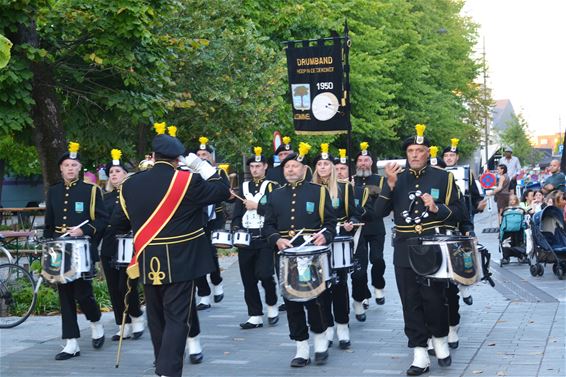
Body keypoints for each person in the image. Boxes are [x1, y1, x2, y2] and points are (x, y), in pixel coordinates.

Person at [111, 123, 231, 377]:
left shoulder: (130, 185)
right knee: (178, 318)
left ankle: (160, 363)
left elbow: (117, 223)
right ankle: (167, 371)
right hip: (182, 258)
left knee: (156, 318)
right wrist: (202, 166)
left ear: (153, 157)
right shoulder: (187, 180)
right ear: (178, 159)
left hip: (147, 257)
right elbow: (222, 190)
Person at [374, 124, 464, 376]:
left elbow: (459, 213)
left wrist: (437, 209)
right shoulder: (395, 179)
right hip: (404, 246)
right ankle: (419, 352)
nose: (414, 154)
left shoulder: (443, 178)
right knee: (409, 301)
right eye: (411, 150)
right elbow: (377, 214)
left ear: (428, 153)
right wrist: (388, 186)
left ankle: (440, 339)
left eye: (420, 150)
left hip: (433, 246)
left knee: (434, 299)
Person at [263, 142, 337, 367]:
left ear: (304, 170)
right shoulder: (275, 196)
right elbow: (267, 226)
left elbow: (331, 223)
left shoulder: (319, 192)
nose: (290, 170)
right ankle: (301, 348)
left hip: (312, 255)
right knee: (292, 300)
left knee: (316, 299)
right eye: (287, 167)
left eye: (294, 166)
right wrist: (277, 239)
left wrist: (326, 236)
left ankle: (320, 340)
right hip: (286, 256)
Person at [44, 141, 108, 360]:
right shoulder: (53, 191)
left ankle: (96, 321)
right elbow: (49, 224)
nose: (70, 168)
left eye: (74, 165)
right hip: (58, 249)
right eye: (66, 165)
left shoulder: (91, 191)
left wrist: (85, 232)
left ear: (80, 168)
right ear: (60, 168)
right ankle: (71, 342)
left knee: (82, 293)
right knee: (64, 294)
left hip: (80, 248)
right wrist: (47, 246)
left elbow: (102, 220)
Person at [312, 144, 357, 349]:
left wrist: (350, 223)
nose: (322, 167)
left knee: (339, 285)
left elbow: (356, 213)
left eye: (326, 164)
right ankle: (327, 326)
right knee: (320, 287)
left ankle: (342, 325)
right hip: (316, 242)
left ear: (332, 166)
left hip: (338, 240)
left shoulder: (344, 187)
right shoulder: (309, 189)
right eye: (319, 164)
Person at [231, 146, 279, 329]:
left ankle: (272, 304)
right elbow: (237, 213)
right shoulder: (243, 187)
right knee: (248, 278)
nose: (255, 169)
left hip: (264, 239)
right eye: (252, 166)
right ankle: (255, 314)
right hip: (246, 239)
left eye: (258, 166)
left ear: (265, 166)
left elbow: (275, 212)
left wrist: (257, 207)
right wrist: (236, 228)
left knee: (265, 274)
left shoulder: (272, 186)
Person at [99, 149, 145, 342]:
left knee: (125, 286)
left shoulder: (133, 194)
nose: (114, 174)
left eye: (118, 171)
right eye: (111, 172)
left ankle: (136, 317)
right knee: (113, 287)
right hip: (109, 246)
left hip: (127, 245)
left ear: (125, 174)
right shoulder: (105, 197)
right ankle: (122, 325)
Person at [334, 149, 376, 322]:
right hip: (335, 238)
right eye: (336, 169)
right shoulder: (323, 192)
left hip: (357, 237)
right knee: (339, 279)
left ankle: (358, 301)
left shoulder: (359, 191)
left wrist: (354, 216)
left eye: (343, 169)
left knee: (359, 274)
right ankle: (341, 316)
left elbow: (371, 213)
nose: (339, 172)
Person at [352, 142, 387, 309]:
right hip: (358, 228)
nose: (363, 163)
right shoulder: (351, 181)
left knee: (377, 259)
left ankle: (378, 285)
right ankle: (364, 293)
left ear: (371, 162)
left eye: (366, 160)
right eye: (360, 160)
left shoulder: (380, 180)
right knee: (361, 264)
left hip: (376, 226)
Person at [194, 136, 226, 309]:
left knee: (211, 254)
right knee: (197, 256)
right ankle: (203, 294)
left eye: (205, 154)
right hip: (196, 219)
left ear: (211, 157)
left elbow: (226, 193)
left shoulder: (218, 173)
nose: (201, 157)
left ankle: (217, 281)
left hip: (213, 219)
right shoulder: (192, 174)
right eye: (198, 154)